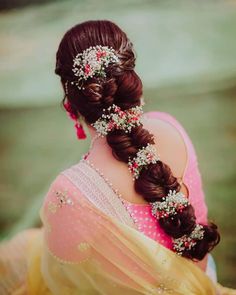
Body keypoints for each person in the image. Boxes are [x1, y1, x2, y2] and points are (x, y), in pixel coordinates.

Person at [0, 20, 235, 295]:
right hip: (203, 281)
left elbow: (63, 283)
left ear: (70, 105)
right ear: (132, 84)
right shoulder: (171, 128)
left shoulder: (68, 193)